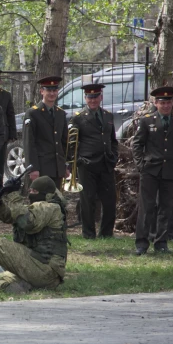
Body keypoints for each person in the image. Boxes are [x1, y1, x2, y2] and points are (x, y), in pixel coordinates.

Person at [132, 86, 173, 255]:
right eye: (162, 102)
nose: (166, 106)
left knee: (165, 207)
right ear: (155, 103)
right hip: (150, 170)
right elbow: (137, 145)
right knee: (147, 207)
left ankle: (161, 242)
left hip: (169, 170)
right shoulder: (146, 121)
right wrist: (141, 165)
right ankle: (142, 242)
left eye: (169, 102)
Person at [67, 84, 118, 239]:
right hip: (87, 164)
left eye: (96, 96)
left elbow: (112, 140)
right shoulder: (78, 117)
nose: (93, 100)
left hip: (106, 163)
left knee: (110, 200)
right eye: (90, 97)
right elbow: (71, 143)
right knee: (87, 201)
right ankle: (88, 233)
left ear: (101, 97)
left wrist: (113, 156)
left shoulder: (108, 116)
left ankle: (106, 233)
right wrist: (76, 162)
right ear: (85, 99)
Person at [23, 76, 69, 187]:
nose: (52, 93)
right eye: (48, 90)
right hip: (41, 168)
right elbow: (29, 143)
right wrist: (33, 168)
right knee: (41, 202)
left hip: (57, 168)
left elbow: (64, 142)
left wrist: (66, 165)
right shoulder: (33, 113)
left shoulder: (60, 113)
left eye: (54, 90)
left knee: (56, 202)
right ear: (42, 91)